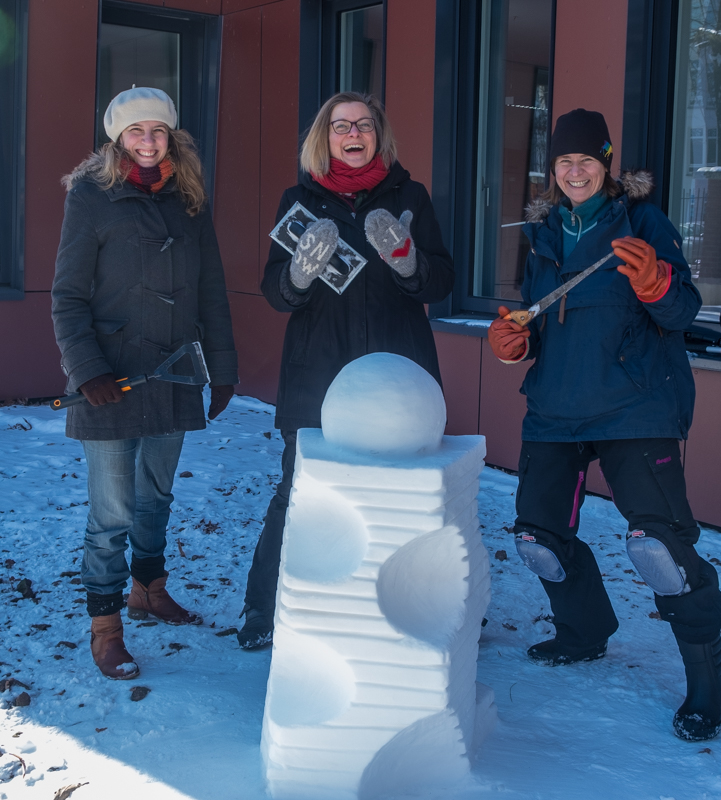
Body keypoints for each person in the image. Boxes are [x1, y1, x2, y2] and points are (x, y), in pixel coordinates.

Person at [488, 108, 721, 741]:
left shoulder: (643, 221)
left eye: (586, 159)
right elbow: (535, 323)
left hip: (634, 405)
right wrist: (514, 340)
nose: (574, 170)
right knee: (538, 541)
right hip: (556, 408)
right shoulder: (541, 234)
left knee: (660, 551)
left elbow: (683, 311)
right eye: (563, 161)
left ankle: (709, 683)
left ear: (607, 162)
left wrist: (655, 281)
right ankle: (583, 633)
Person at [237, 91, 454, 650]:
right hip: (318, 372)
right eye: (340, 125)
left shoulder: (411, 196)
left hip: (397, 374)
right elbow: (275, 293)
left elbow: (441, 281)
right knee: (298, 492)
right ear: (324, 136)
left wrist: (410, 262)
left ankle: (420, 607)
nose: (352, 133)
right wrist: (300, 275)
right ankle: (263, 609)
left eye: (363, 123)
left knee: (403, 493)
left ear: (378, 133)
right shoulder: (299, 198)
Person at [52, 87, 238, 680]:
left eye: (158, 131)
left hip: (176, 373)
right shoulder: (91, 196)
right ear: (117, 138)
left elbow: (211, 290)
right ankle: (106, 627)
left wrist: (224, 368)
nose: (149, 141)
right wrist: (87, 370)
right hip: (111, 381)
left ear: (171, 136)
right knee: (111, 512)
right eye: (137, 132)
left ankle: (149, 588)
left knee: (156, 496)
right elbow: (68, 296)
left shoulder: (188, 200)